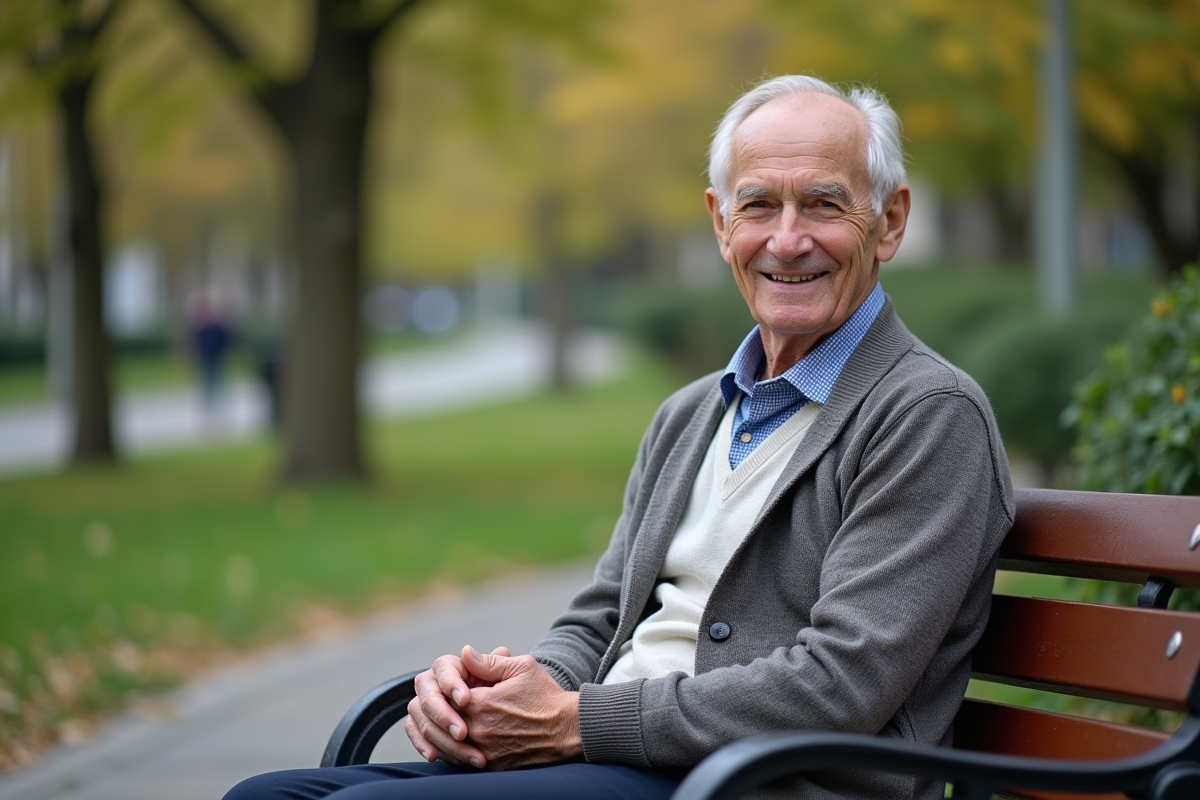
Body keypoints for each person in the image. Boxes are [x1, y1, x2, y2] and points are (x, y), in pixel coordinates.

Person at [224, 74, 1014, 800]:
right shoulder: (691, 414)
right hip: (620, 763)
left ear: (889, 222)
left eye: (822, 204)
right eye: (758, 206)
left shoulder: (927, 414)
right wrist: (503, 696)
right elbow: (600, 620)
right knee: (263, 796)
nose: (786, 239)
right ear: (721, 223)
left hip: (756, 783)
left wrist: (572, 722)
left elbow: (841, 683)